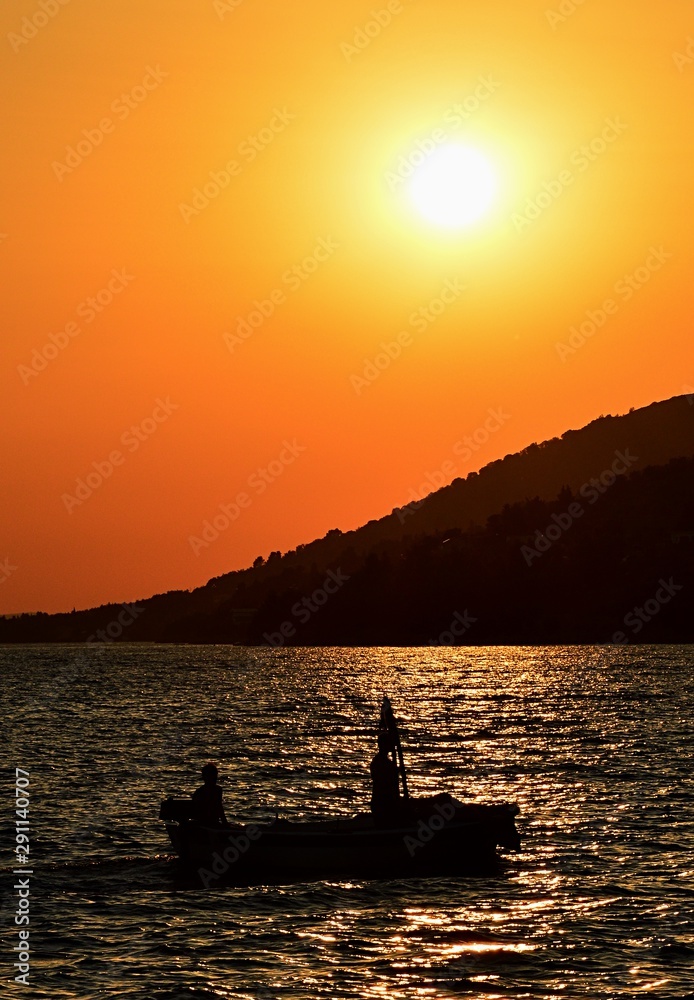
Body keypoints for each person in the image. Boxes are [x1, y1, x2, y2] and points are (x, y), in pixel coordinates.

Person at [370, 732, 401, 825]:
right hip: (383, 804)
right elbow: (384, 784)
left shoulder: (384, 762)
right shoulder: (381, 762)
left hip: (383, 802)